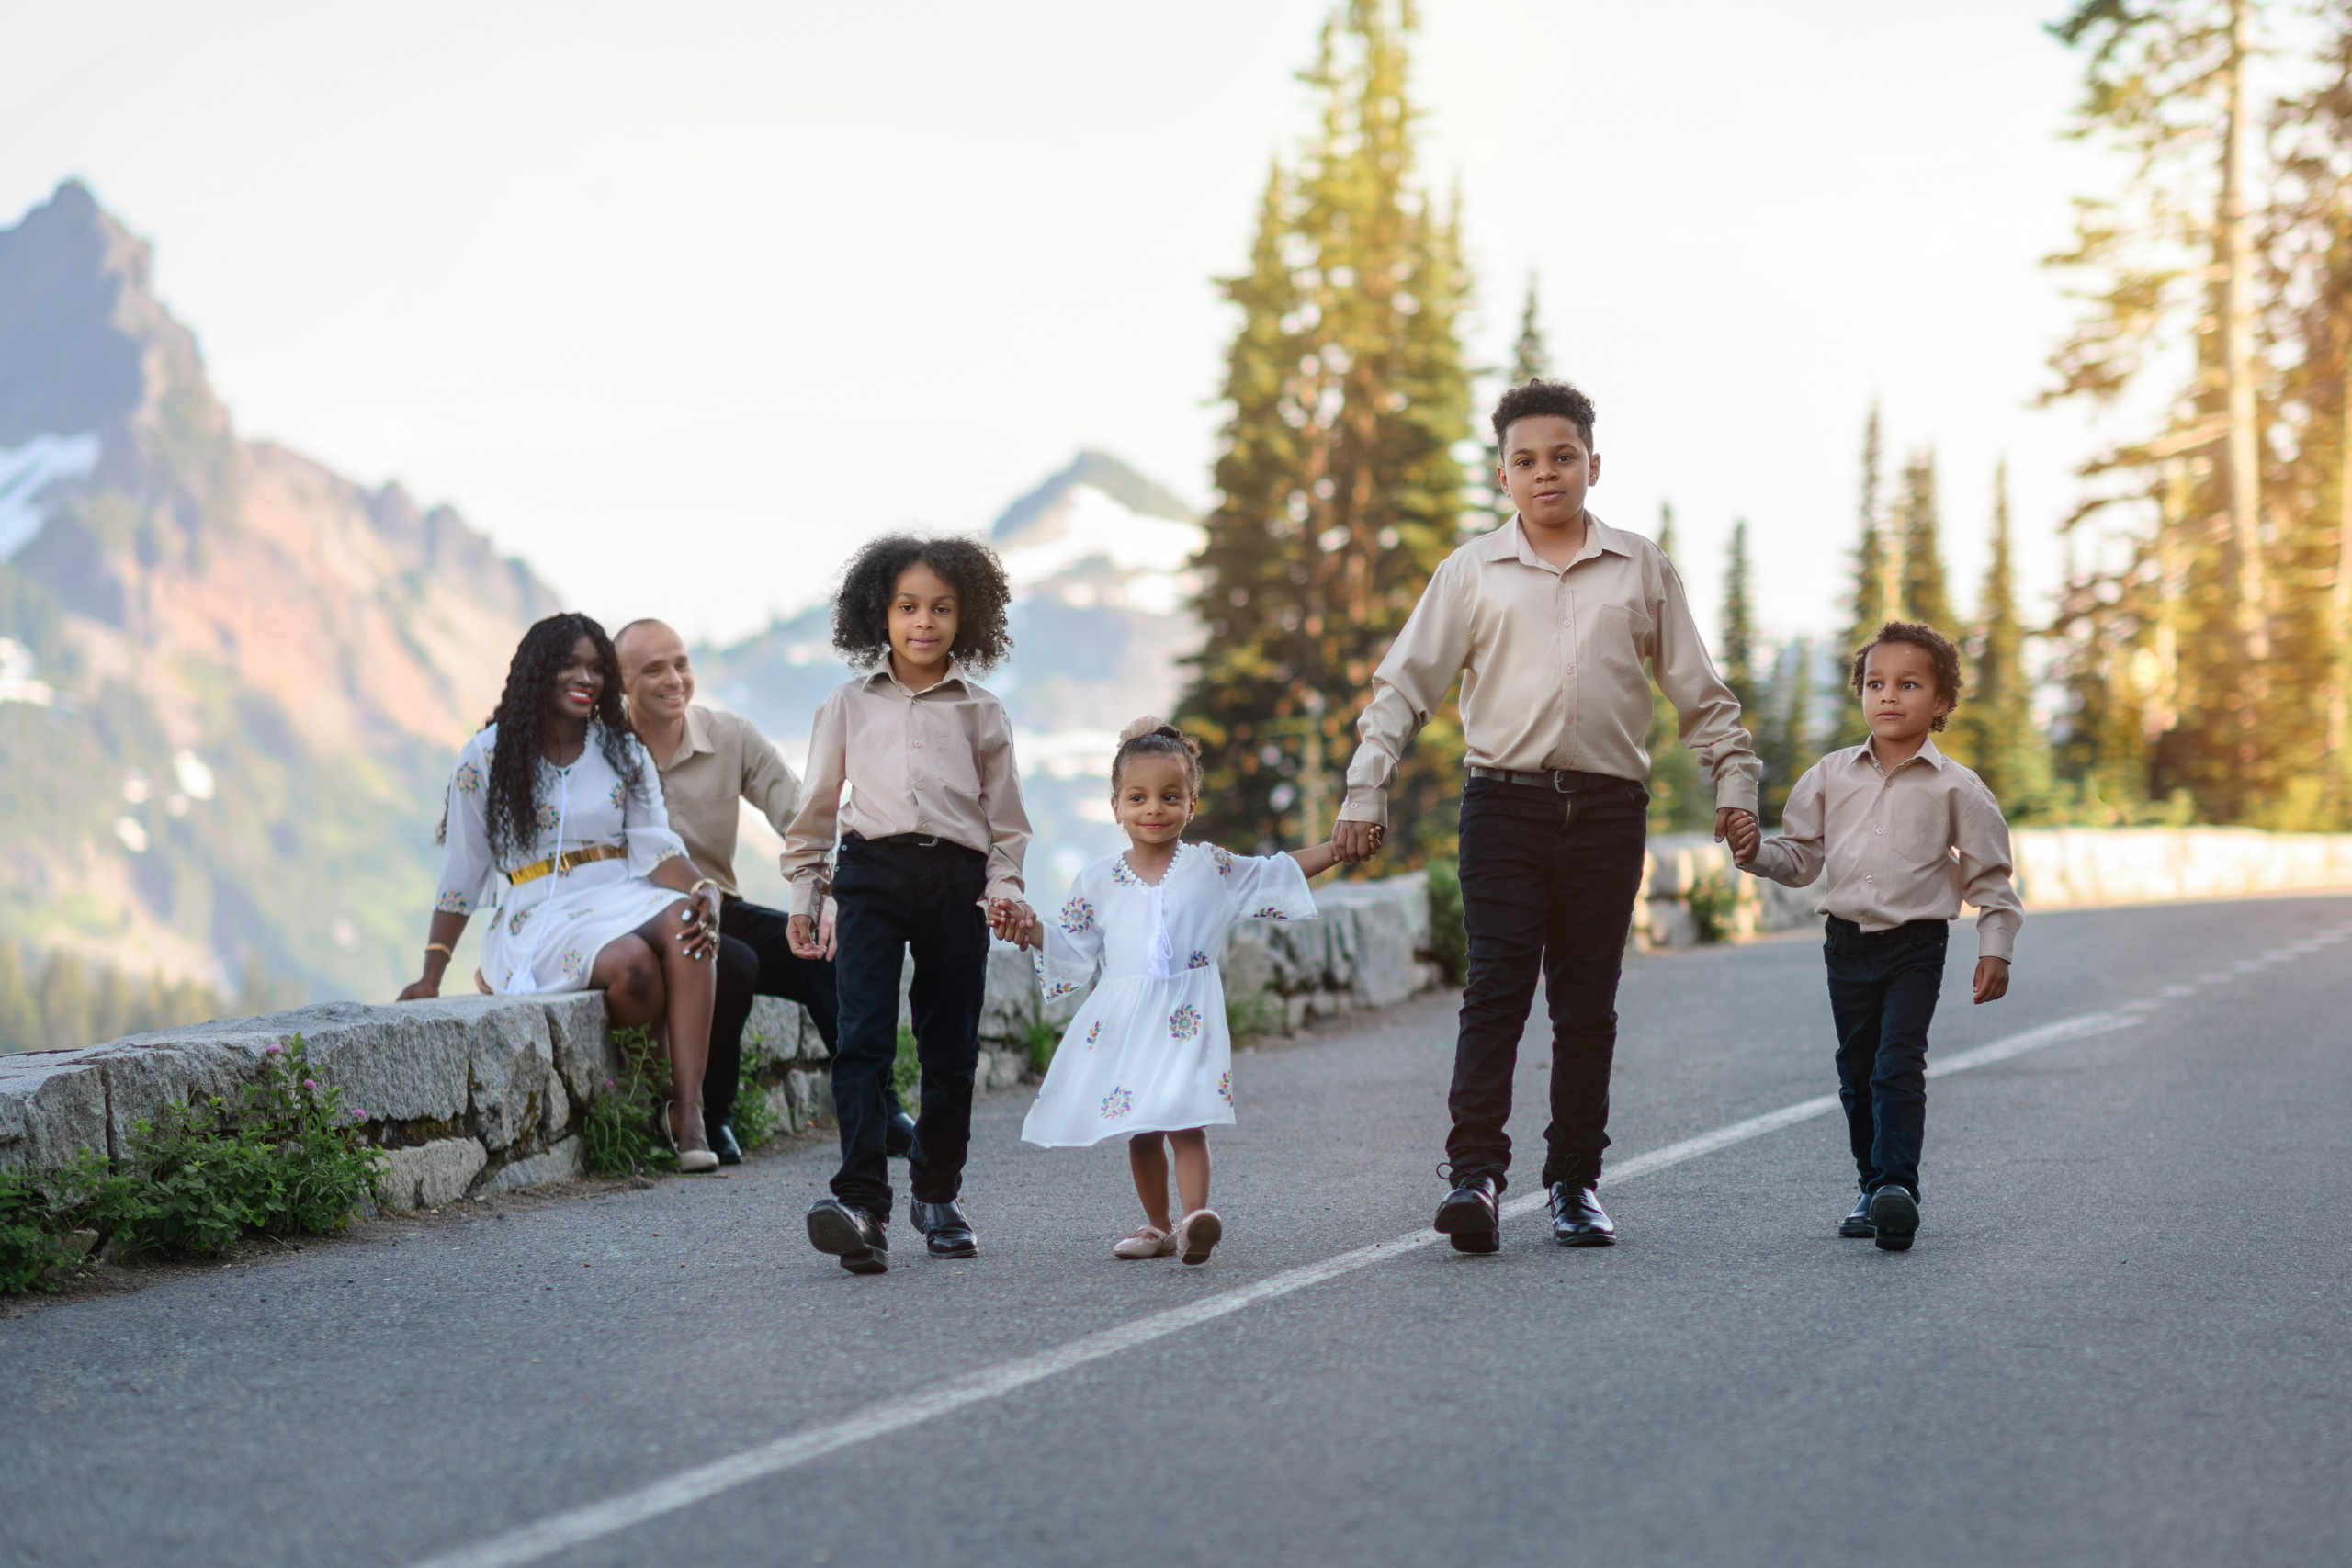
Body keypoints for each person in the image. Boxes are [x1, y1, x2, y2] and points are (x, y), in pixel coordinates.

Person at [1332, 378, 1761, 1253]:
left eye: (1562, 456)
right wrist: (1364, 789)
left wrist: (1736, 781)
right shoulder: (1470, 572)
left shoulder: (1641, 567)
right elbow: (1402, 687)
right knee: (1495, 992)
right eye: (1525, 461)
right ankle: (1475, 1179)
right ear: (1502, 475)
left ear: (1593, 464)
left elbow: (1698, 691)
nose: (1546, 474)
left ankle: (1574, 1181)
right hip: (1503, 807)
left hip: (1609, 813)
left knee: (1586, 1006)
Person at [783, 535, 1034, 1274]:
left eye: (942, 608)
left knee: (950, 1046)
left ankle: (937, 1193)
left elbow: (1008, 823)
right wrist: (807, 891)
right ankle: (862, 1204)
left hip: (957, 881)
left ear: (969, 617)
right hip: (870, 875)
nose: (924, 622)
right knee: (862, 1038)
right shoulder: (847, 704)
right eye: (907, 606)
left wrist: (1003, 888)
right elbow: (816, 810)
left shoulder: (983, 711)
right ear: (878, 613)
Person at [1729, 620, 2021, 1252]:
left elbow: (1991, 877)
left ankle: (1898, 1186)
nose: (1888, 696)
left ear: (1940, 703)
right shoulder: (1830, 775)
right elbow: (1803, 857)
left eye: (1909, 684)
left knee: (1897, 1064)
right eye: (1875, 683)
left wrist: (1994, 945)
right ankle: (1871, 1186)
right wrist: (1755, 853)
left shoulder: (1957, 786)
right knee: (1857, 1071)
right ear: (1861, 692)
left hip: (1917, 944)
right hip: (1846, 943)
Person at [400, 613, 724, 1172]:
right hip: (537, 914)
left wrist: (700, 887)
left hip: (620, 889)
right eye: (569, 664)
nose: (587, 678)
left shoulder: (622, 750)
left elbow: (655, 846)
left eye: (597, 668)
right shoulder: (487, 755)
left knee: (685, 924)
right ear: (536, 670)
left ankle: (689, 1116)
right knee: (634, 967)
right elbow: (463, 869)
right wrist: (432, 974)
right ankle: (654, 1090)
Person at [1009, 718, 1340, 1265]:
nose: (1154, 809)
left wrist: (1338, 850)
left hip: (1188, 1014)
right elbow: (1072, 947)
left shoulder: (1211, 866)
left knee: (1187, 1118)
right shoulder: (1096, 880)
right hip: (1127, 1020)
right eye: (1137, 798)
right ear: (1115, 806)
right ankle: (1157, 1225)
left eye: (1169, 796)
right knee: (1140, 1129)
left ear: (1192, 803)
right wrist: (1029, 928)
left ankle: (1194, 1221)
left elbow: (1274, 875)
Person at [613, 617, 916, 1165]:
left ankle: (880, 1110)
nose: (673, 679)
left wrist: (833, 894)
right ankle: (713, 1114)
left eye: (681, 663)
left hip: (716, 904)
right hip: (632, 919)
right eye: (653, 669)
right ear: (622, 682)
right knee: (735, 964)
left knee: (824, 950)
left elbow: (802, 816)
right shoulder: (604, 754)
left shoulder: (731, 737)